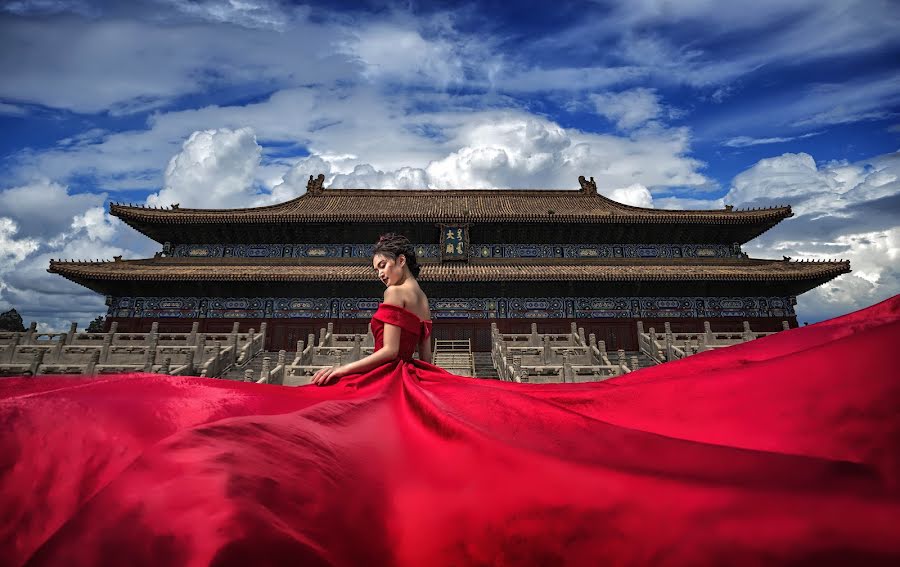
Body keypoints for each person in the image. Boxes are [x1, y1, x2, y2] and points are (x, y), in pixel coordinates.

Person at [311, 233, 432, 386]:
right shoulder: (423, 300)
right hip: (409, 377)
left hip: (385, 375)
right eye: (376, 270)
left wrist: (343, 369)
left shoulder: (394, 291)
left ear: (401, 260)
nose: (380, 274)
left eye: (382, 266)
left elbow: (390, 351)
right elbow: (426, 359)